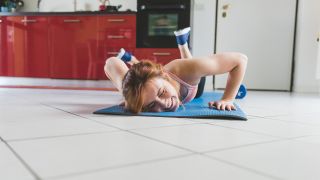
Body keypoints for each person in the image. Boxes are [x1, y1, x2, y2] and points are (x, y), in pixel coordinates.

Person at [104, 27, 248, 113]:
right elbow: (110, 62)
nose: (165, 104)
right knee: (138, 79)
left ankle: (183, 44)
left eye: (162, 92)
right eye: (152, 105)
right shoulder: (137, 92)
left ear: (165, 76)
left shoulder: (184, 70)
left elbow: (240, 60)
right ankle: (181, 40)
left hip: (188, 81)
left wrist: (228, 99)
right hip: (160, 78)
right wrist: (129, 96)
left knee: (194, 74)